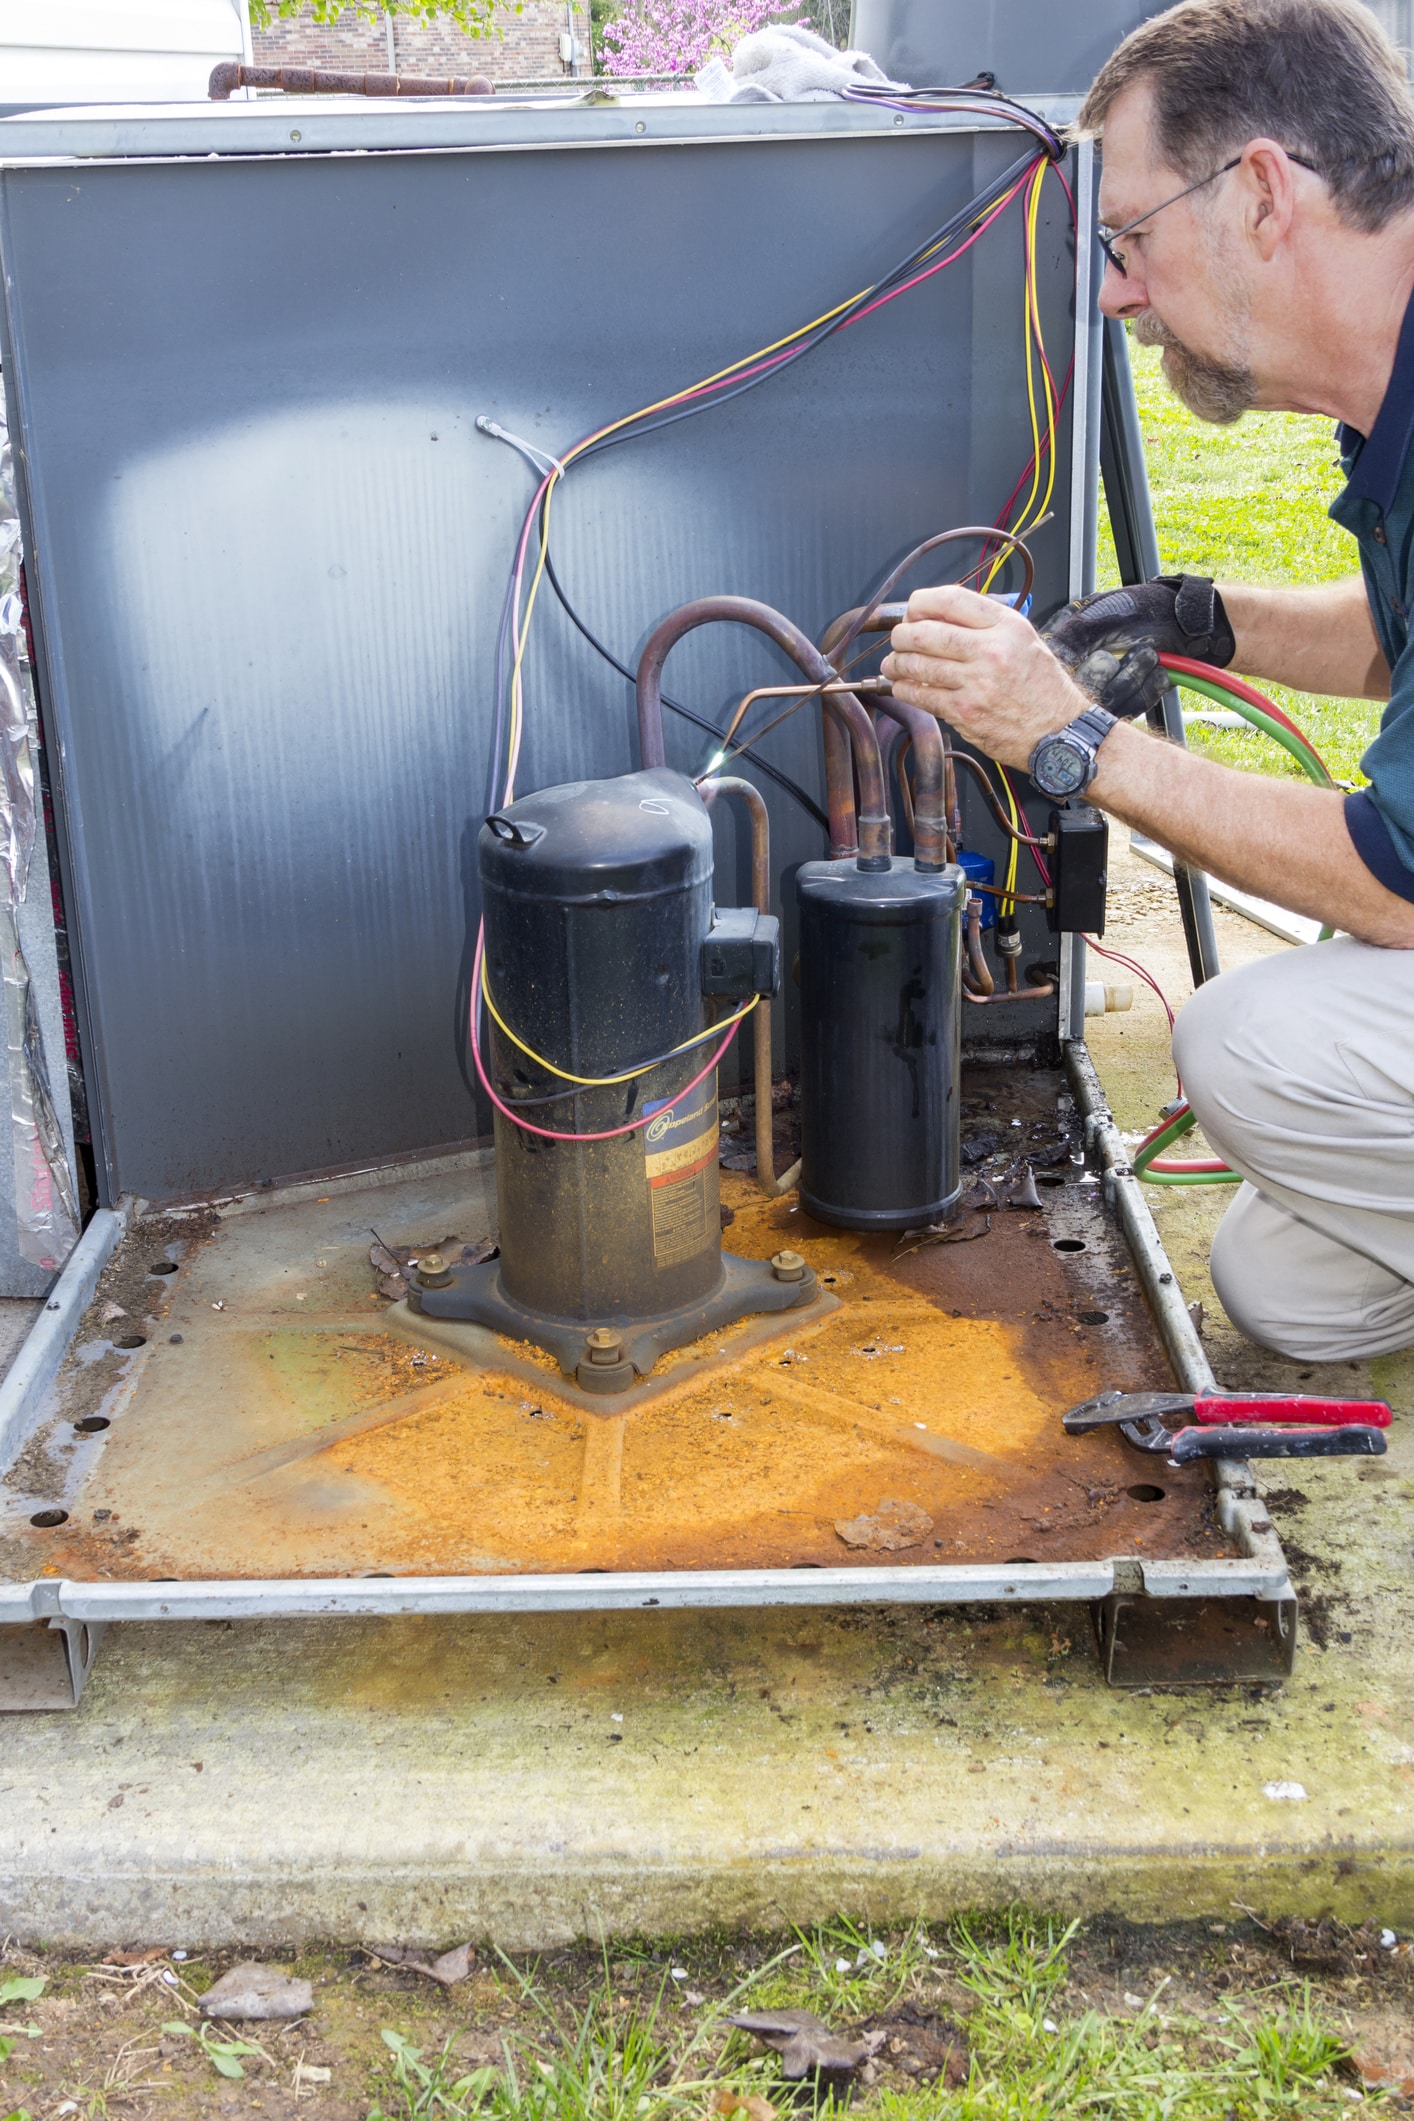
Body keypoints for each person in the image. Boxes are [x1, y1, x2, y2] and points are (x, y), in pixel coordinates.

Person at [881, 0, 1414, 1365]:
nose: (1113, 294)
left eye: (1126, 238)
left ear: (1260, 195)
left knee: (1254, 1043)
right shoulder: (1387, 401)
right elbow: (1399, 629)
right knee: (1289, 1287)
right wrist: (1197, 620)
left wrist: (1072, 741)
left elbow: (1396, 881)